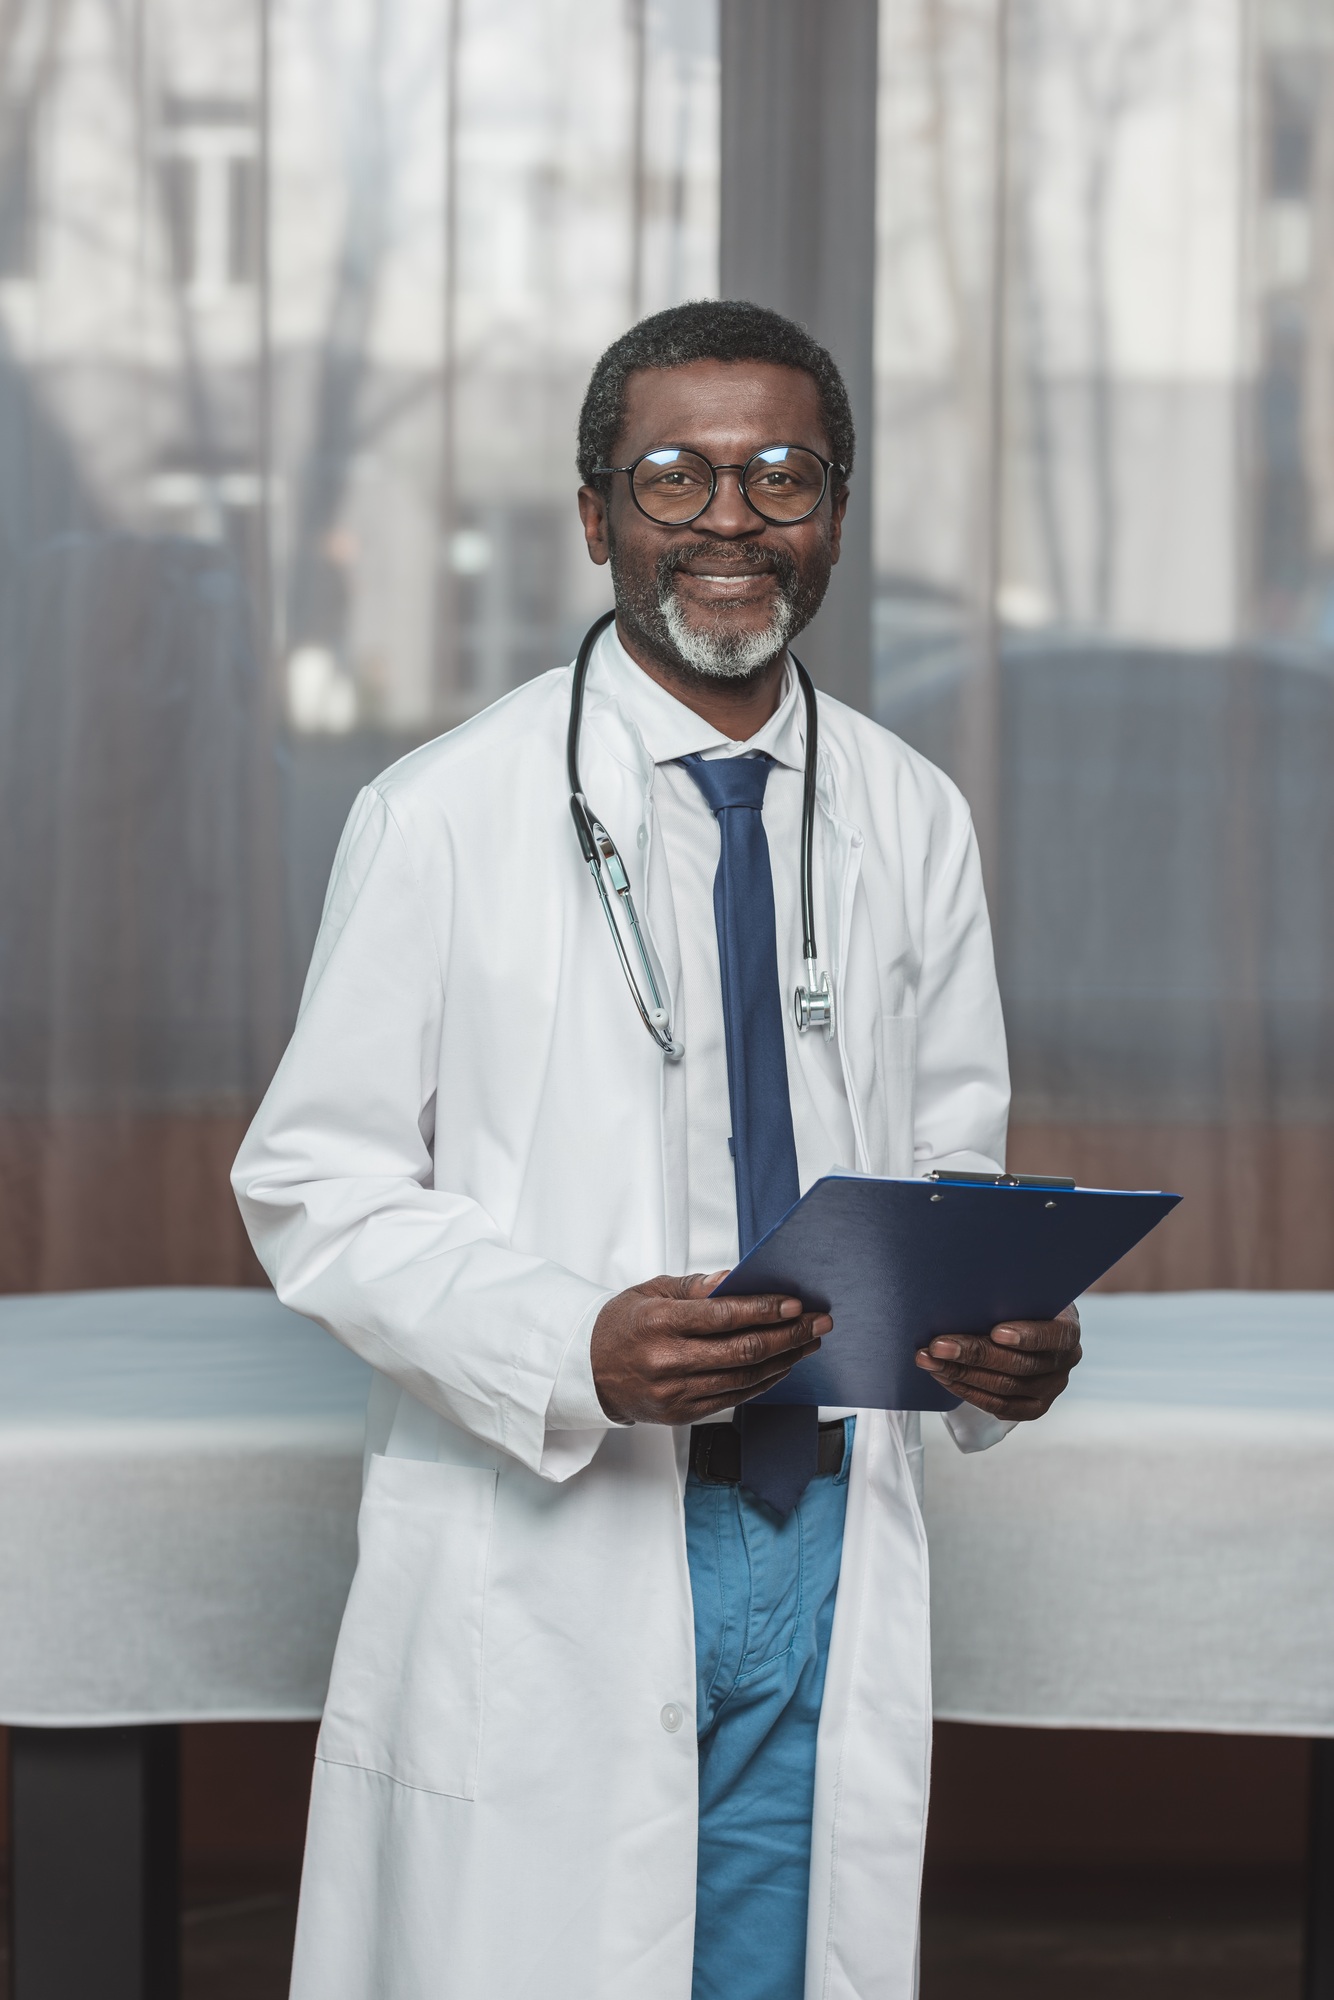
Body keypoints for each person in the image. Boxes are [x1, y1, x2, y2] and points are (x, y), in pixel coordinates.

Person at [233, 299, 1081, 2000]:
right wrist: (572, 1345)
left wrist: (1005, 1337)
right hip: (571, 1509)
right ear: (594, 513)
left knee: (769, 1960)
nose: (727, 518)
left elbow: (949, 1163)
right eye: (671, 475)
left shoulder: (910, 813)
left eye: (779, 474)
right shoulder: (442, 814)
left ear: (834, 511)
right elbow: (312, 1181)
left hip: (822, 1515)